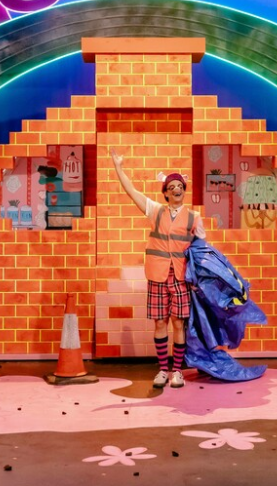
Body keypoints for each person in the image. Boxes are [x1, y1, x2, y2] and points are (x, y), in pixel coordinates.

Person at [111, 148, 205, 389]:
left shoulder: (195, 217)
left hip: (181, 277)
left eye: (180, 186)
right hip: (157, 276)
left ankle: (178, 371)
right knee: (160, 323)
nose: (177, 189)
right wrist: (118, 166)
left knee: (178, 323)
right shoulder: (155, 210)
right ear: (165, 192)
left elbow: (203, 251)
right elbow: (132, 192)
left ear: (184, 190)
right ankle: (163, 369)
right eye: (172, 186)